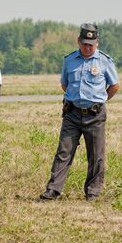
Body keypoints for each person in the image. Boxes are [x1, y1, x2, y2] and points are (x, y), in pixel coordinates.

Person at [40, 23, 120, 202]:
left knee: (96, 155)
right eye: (84, 43)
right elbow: (64, 84)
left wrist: (99, 101)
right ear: (78, 41)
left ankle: (92, 192)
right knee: (63, 152)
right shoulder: (69, 60)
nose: (87, 47)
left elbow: (114, 86)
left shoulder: (105, 61)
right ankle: (53, 190)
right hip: (72, 114)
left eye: (91, 44)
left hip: (95, 115)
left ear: (97, 43)